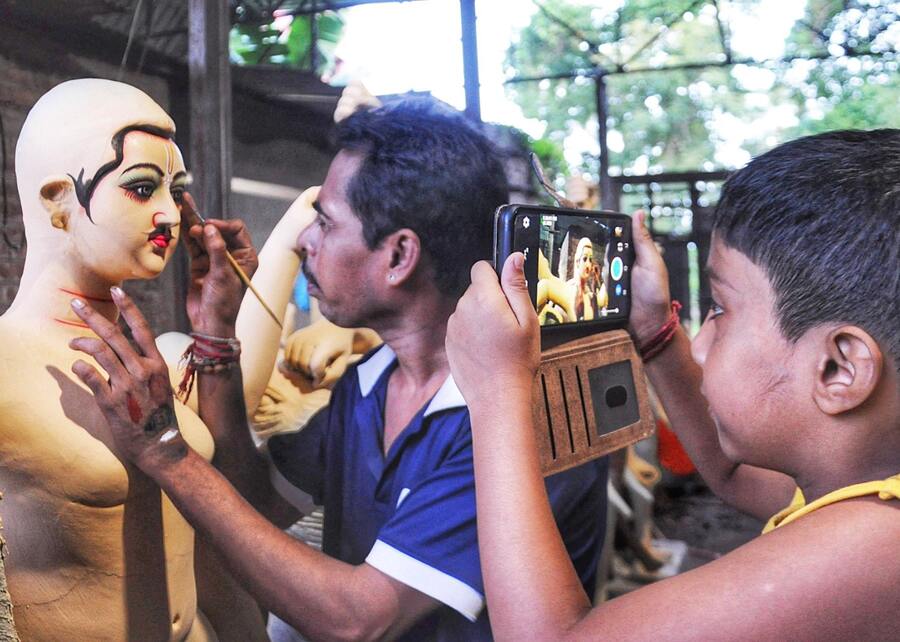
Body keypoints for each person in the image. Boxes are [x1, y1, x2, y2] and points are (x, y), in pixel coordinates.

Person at [69, 99, 609, 641]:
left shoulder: (528, 412)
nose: (303, 241)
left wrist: (165, 449)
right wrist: (216, 339)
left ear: (399, 256)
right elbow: (257, 499)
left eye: (325, 222)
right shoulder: (370, 380)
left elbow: (357, 618)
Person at [445, 129, 900, 640]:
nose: (700, 345)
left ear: (838, 369)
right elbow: (729, 473)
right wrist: (655, 332)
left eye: (720, 310)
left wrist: (496, 393)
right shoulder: (864, 488)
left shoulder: (873, 548)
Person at [0, 78, 266, 641]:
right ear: (57, 201)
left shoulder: (159, 363)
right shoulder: (7, 363)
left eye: (176, 190)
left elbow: (236, 498)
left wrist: (217, 324)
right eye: (142, 188)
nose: (170, 214)